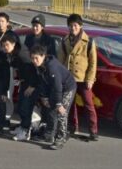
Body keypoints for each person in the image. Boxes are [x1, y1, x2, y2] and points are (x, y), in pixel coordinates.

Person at [58, 13, 99, 141]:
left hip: (83, 78)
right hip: (69, 79)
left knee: (89, 105)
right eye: (70, 26)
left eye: (75, 25)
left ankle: (93, 130)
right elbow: (60, 61)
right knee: (69, 105)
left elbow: (93, 63)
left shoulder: (89, 41)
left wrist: (90, 79)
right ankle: (72, 127)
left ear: (80, 26)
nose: (73, 28)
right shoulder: (64, 41)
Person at [0, 33, 40, 142]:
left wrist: (32, 86)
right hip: (24, 82)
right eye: (3, 45)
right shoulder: (13, 53)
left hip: (31, 84)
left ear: (13, 44)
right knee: (21, 106)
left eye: (6, 45)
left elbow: (35, 70)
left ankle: (26, 131)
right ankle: (22, 126)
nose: (4, 48)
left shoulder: (23, 54)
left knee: (26, 107)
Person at [34, 44, 76, 150]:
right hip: (53, 88)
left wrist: (59, 103)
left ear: (43, 56)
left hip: (66, 87)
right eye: (32, 58)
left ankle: (60, 138)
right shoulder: (39, 66)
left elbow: (58, 86)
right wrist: (44, 97)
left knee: (61, 112)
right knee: (50, 110)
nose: (34, 60)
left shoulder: (52, 67)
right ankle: (49, 135)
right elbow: (42, 82)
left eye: (36, 58)